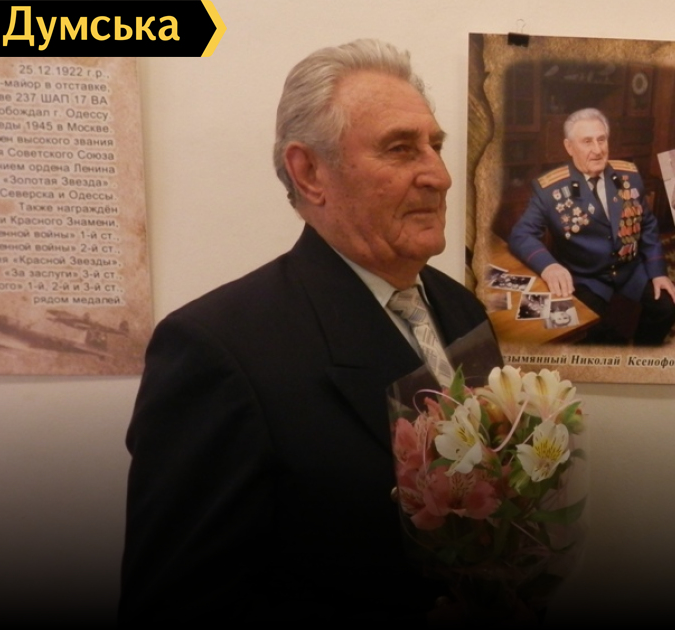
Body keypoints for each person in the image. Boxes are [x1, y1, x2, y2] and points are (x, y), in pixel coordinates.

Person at [119, 39, 501, 624]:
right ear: (310, 171)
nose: (440, 175)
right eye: (400, 149)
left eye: (436, 145)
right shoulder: (217, 350)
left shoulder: (462, 309)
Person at [509, 108, 675, 345]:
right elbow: (521, 234)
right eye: (587, 141)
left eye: (602, 140)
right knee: (594, 334)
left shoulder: (629, 176)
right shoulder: (550, 189)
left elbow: (648, 224)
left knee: (669, 306)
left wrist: (658, 272)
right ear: (569, 147)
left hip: (629, 270)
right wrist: (549, 266)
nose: (598, 150)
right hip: (585, 277)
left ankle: (642, 353)